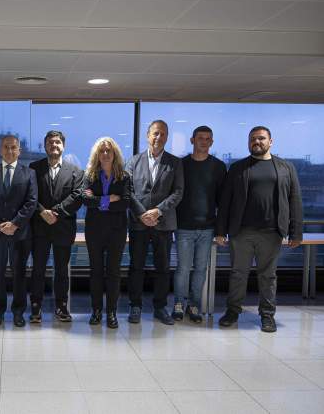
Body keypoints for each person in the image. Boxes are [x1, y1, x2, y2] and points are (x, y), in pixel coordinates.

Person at [216, 126, 302, 333]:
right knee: (238, 274)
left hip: (272, 232)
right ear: (248, 142)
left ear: (270, 141)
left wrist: (296, 232)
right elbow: (225, 201)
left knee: (268, 276)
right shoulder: (238, 168)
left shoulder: (285, 167)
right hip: (242, 232)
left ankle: (267, 316)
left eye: (261, 138)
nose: (257, 142)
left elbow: (295, 200)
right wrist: (221, 230)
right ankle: (233, 311)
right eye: (253, 139)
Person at [126, 120, 184, 325]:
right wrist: (142, 214)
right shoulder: (133, 161)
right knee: (136, 267)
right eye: (155, 133)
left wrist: (158, 211)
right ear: (147, 135)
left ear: (167, 137)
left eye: (162, 134)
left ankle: (160, 308)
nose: (158, 137)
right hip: (138, 223)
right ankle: (135, 306)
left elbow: (178, 192)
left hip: (164, 223)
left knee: (163, 267)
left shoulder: (175, 163)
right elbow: (128, 192)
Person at [0, 135, 37, 327]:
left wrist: (15, 224)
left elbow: (31, 202)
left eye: (14, 147)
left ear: (19, 150)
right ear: (0, 150)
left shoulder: (29, 174)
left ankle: (19, 312)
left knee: (19, 274)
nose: (10, 151)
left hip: (20, 234)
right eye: (6, 147)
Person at [172, 126, 226, 323]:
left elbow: (223, 201)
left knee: (201, 269)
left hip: (208, 228)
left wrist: (221, 231)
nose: (204, 141)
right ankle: (179, 303)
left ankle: (194, 305)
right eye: (200, 138)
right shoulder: (181, 164)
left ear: (212, 142)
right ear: (192, 140)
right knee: (183, 268)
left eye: (208, 139)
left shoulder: (219, 167)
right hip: (183, 226)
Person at [29, 130, 83, 323]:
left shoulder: (76, 171)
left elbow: (77, 197)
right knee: (38, 269)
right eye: (50, 142)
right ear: (45, 146)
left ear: (63, 146)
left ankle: (62, 307)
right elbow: (30, 195)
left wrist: (56, 212)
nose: (54, 145)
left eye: (58, 142)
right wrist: (43, 211)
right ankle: (35, 307)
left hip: (63, 227)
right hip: (40, 228)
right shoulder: (33, 168)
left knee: (61, 270)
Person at [81, 137, 130, 328]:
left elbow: (125, 203)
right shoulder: (90, 176)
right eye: (102, 151)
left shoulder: (124, 176)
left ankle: (111, 312)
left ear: (114, 154)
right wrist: (110, 199)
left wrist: (99, 201)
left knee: (113, 272)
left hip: (117, 231)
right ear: (97, 155)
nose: (106, 154)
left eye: (109, 151)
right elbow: (85, 200)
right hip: (94, 231)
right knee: (95, 272)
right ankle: (96, 311)